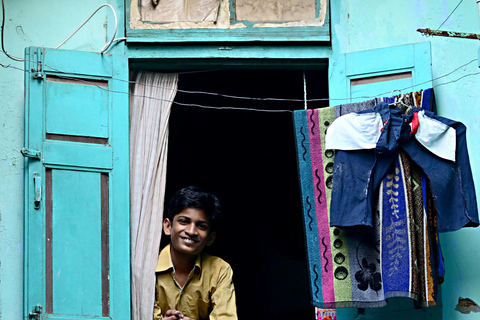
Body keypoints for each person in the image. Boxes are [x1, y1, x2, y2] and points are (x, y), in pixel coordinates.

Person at [153, 186, 237, 320]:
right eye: (184, 221)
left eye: (201, 226)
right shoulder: (148, 267)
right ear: (168, 227)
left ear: (210, 238)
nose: (191, 231)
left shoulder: (219, 270)